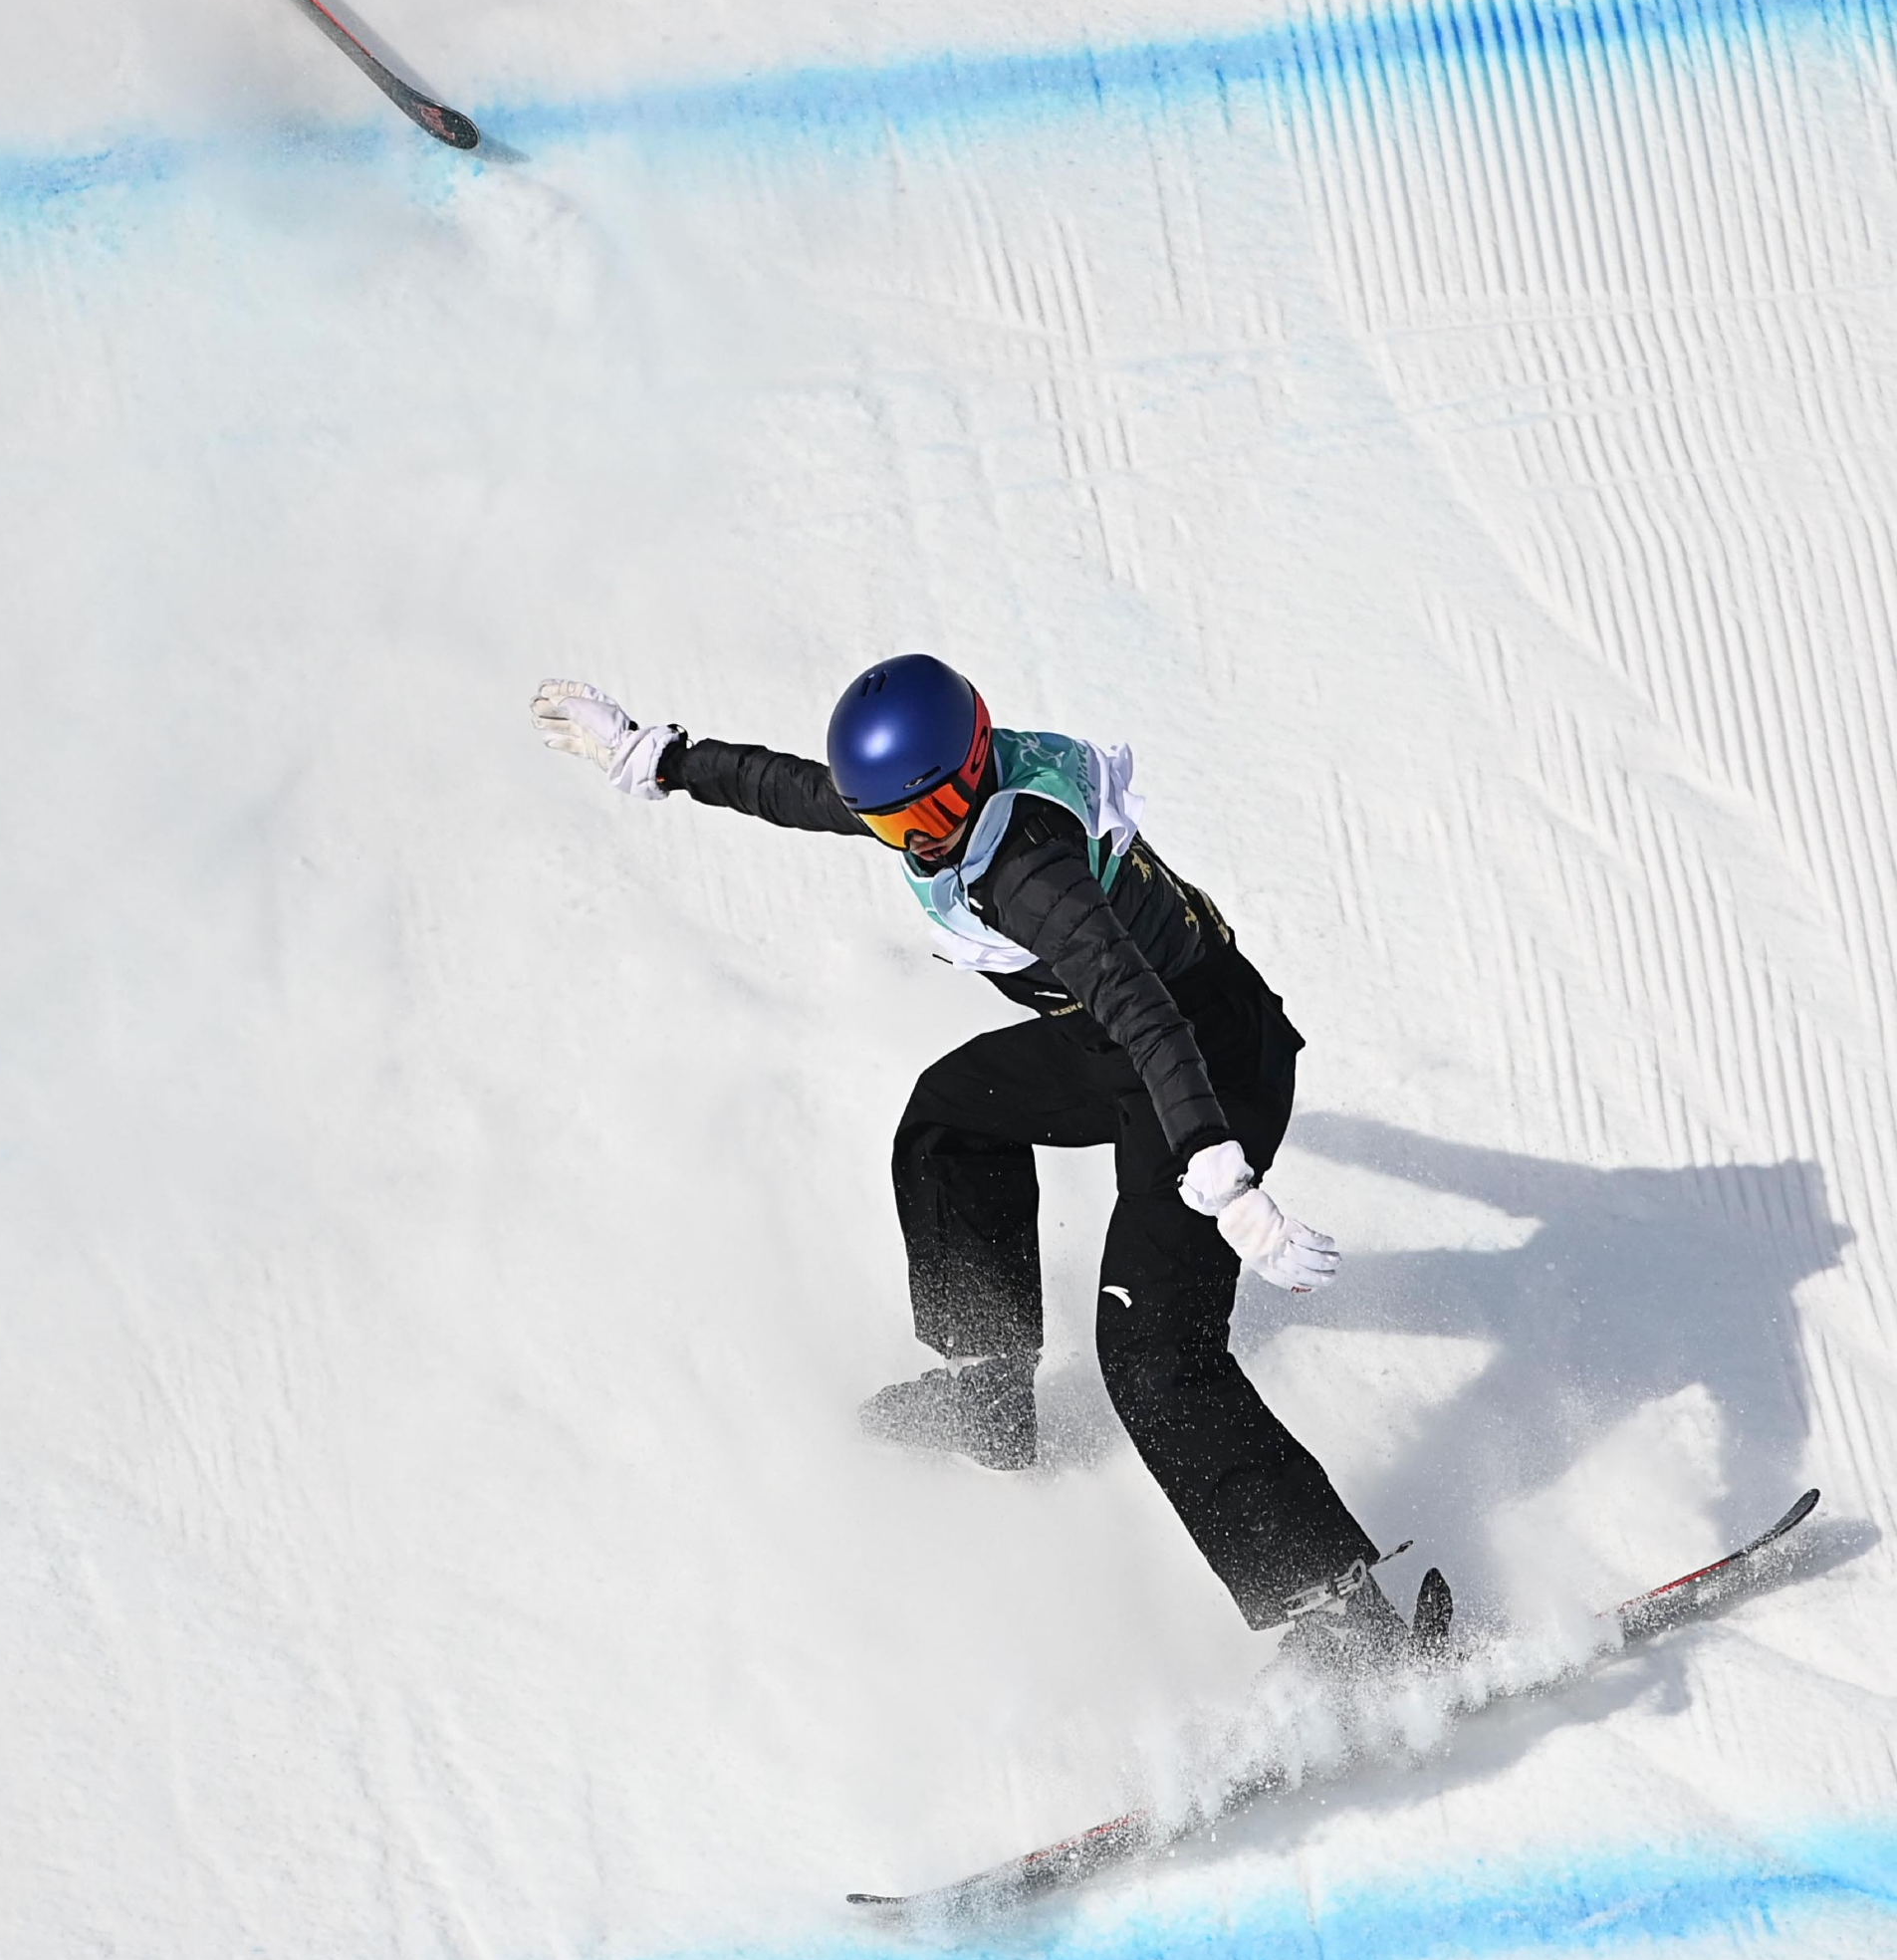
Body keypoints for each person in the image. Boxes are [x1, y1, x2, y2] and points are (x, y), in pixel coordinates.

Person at [534, 654, 1432, 1677]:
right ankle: (990, 1388)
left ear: (968, 772)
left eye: (930, 817)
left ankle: (1344, 1619)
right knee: (950, 1121)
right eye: (895, 828)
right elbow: (799, 790)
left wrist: (1219, 1170)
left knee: (1151, 1356)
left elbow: (1145, 1012)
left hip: (1199, 1067)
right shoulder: (941, 800)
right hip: (1110, 1046)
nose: (917, 841)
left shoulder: (1027, 872)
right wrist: (661, 759)